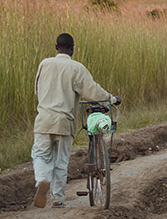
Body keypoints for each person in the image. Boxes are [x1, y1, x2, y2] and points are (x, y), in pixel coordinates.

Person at [32, 33, 119, 208]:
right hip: (64, 122)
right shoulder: (76, 67)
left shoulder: (45, 64)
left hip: (44, 120)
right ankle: (58, 200)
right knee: (61, 161)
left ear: (56, 47)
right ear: (72, 49)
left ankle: (42, 179)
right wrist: (111, 99)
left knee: (41, 155)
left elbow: (37, 91)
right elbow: (92, 91)